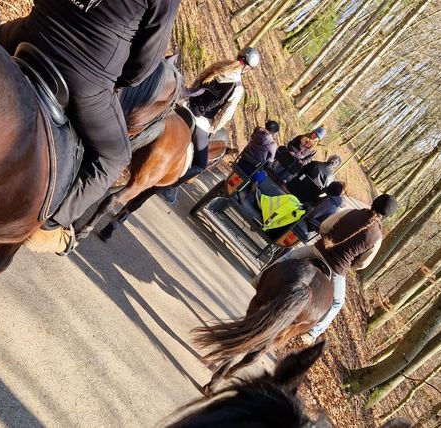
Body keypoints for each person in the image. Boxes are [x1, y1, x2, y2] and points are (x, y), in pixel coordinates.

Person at [0, 0, 182, 254]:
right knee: (115, 156)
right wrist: (111, 78)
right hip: (86, 77)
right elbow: (144, 65)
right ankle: (49, 225)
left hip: (33, 33)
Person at [252, 194, 398, 345]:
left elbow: (325, 226)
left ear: (374, 203)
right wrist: (348, 265)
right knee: (337, 303)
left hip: (317, 251)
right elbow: (363, 264)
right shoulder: (377, 238)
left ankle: (259, 279)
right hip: (336, 269)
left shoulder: (351, 212)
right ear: (387, 216)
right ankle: (311, 333)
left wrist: (325, 241)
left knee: (288, 257)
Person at [159, 48, 260, 204]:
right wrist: (212, 129)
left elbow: (197, 82)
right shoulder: (238, 88)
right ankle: (169, 187)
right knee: (199, 164)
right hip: (200, 120)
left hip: (185, 104)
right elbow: (225, 114)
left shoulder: (217, 67)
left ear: (238, 55)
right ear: (247, 68)